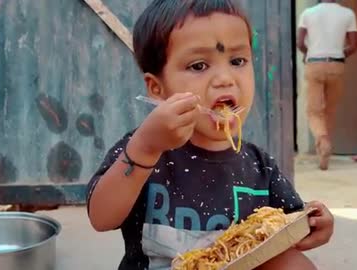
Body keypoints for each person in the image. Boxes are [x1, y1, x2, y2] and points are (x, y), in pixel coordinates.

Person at [87, 1, 334, 269]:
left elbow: (292, 223)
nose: (225, 79)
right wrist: (145, 148)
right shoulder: (145, 149)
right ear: (157, 88)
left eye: (237, 61)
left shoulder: (259, 166)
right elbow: (102, 218)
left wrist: (316, 221)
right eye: (199, 66)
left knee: (295, 265)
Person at [296, 0, 357, 170]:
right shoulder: (348, 14)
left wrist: (309, 53)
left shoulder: (308, 13)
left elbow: (300, 42)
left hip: (314, 64)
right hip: (337, 64)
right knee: (330, 108)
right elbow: (353, 45)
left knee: (314, 111)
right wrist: (338, 53)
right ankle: (324, 148)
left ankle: (323, 142)